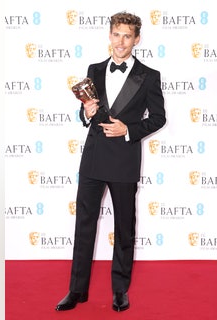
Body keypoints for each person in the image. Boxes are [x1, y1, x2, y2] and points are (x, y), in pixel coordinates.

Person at [55, 11, 166, 312]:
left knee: (125, 227)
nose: (121, 41)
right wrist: (86, 112)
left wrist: (128, 130)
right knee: (84, 225)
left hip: (124, 160)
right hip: (93, 159)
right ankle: (76, 290)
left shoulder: (149, 75)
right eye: (116, 34)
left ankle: (120, 290)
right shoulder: (94, 68)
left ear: (136, 39)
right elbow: (87, 111)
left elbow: (158, 118)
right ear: (109, 35)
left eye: (127, 36)